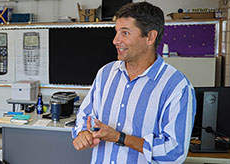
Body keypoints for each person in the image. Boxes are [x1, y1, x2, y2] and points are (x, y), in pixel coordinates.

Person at [72, 2, 196, 163]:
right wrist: (83, 133)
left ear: (150, 37)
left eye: (125, 33)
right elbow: (85, 116)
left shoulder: (177, 87)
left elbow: (174, 152)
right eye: (116, 32)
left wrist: (120, 137)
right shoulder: (106, 73)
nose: (115, 40)